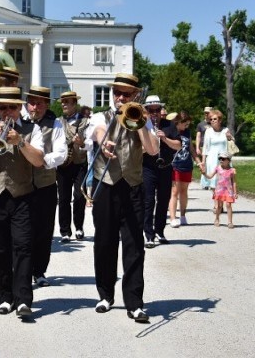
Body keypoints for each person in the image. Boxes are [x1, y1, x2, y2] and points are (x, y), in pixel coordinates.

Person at [86, 73, 159, 323]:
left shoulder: (143, 118)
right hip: (105, 185)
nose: (120, 97)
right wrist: (103, 142)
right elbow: (98, 131)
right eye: (117, 92)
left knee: (134, 245)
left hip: (132, 186)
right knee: (104, 243)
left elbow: (152, 150)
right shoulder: (100, 116)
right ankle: (105, 295)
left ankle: (135, 303)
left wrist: (140, 125)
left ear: (135, 96)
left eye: (126, 94)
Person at [0, 86, 45, 320]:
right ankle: (4, 297)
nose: (7, 112)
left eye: (12, 107)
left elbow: (39, 161)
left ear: (20, 107)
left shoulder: (32, 129)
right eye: (3, 107)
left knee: (23, 247)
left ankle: (23, 300)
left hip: (22, 195)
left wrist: (20, 142)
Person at [24, 86, 67, 287]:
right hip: (21, 184)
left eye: (40, 103)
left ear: (47, 104)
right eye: (32, 102)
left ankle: (39, 271)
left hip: (45, 184)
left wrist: (40, 160)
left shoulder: (55, 123)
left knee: (43, 230)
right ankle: (22, 270)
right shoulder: (19, 121)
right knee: (22, 230)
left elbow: (61, 153)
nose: (35, 107)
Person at [141, 95, 179, 248]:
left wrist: (165, 139)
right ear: (147, 111)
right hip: (148, 168)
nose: (155, 113)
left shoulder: (169, 125)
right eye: (151, 110)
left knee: (163, 201)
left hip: (165, 167)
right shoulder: (143, 125)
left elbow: (178, 145)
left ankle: (159, 231)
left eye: (157, 109)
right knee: (148, 201)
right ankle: (148, 234)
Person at [56, 91, 91, 243]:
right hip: (63, 165)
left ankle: (79, 227)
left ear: (74, 104)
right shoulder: (58, 122)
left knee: (79, 197)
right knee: (63, 198)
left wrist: (81, 143)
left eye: (67, 102)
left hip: (79, 164)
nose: (63, 104)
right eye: (62, 102)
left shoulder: (86, 122)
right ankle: (64, 231)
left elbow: (89, 143)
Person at [168, 111, 195, 228]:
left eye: (188, 124)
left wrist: (198, 161)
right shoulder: (171, 131)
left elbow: (191, 148)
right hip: (174, 164)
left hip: (187, 164)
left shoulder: (187, 132)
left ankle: (183, 215)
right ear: (179, 122)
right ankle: (173, 218)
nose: (186, 127)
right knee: (174, 192)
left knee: (184, 191)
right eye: (185, 124)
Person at [199, 109, 234, 192]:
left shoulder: (225, 130)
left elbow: (232, 144)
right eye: (211, 119)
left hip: (224, 158)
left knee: (225, 182)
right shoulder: (208, 131)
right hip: (212, 159)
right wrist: (203, 162)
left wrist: (229, 138)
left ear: (220, 120)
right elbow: (205, 147)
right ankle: (217, 204)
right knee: (214, 183)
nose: (213, 121)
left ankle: (222, 203)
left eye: (215, 119)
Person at [200, 152, 238, 227]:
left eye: (223, 159)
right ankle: (217, 218)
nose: (221, 160)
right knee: (219, 206)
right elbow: (210, 176)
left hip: (228, 190)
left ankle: (230, 222)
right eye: (220, 159)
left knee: (228, 205)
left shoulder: (232, 170)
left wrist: (235, 192)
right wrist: (204, 174)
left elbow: (234, 182)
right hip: (219, 190)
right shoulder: (218, 168)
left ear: (229, 160)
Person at [196, 107, 212, 189]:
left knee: (211, 164)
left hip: (212, 147)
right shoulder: (200, 124)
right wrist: (197, 147)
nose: (206, 114)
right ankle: (205, 183)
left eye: (208, 113)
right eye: (205, 113)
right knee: (204, 164)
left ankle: (212, 181)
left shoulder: (214, 123)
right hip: (203, 146)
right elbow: (198, 136)